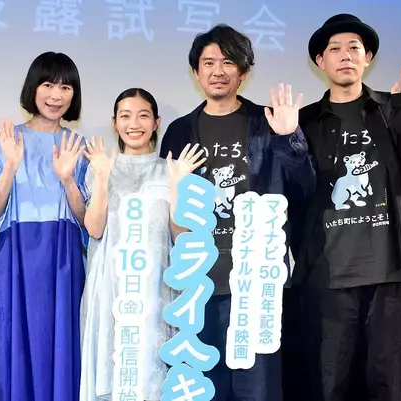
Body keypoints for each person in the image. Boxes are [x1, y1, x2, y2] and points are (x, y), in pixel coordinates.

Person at [289, 13, 401, 401]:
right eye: (335, 49)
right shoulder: (302, 122)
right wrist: (282, 139)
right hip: (326, 275)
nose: (345, 55)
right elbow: (294, 190)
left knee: (389, 386)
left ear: (368, 57)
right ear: (320, 61)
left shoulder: (395, 110)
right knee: (327, 387)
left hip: (390, 271)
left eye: (354, 48)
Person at [159, 24, 316, 400]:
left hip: (256, 284)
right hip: (199, 283)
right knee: (204, 389)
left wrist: (289, 138)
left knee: (257, 391)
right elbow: (168, 208)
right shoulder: (180, 131)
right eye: (208, 62)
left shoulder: (267, 122)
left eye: (228, 62)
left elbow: (305, 188)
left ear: (243, 72)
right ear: (196, 72)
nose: (218, 70)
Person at [0, 52, 88, 401]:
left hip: (63, 259)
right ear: (33, 88)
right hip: (14, 258)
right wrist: (10, 167)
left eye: (65, 87)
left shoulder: (79, 147)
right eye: (48, 85)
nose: (56, 95)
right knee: (12, 348)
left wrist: (68, 180)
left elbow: (88, 220)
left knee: (63, 348)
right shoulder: (5, 142)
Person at [79, 88, 206, 401]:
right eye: (125, 116)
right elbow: (94, 228)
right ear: (114, 123)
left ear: (156, 122)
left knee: (152, 374)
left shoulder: (170, 169)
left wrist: (178, 185)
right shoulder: (101, 167)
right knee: (113, 371)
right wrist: (101, 178)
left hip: (155, 289)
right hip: (110, 288)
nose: (134, 124)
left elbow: (180, 236)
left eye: (143, 115)